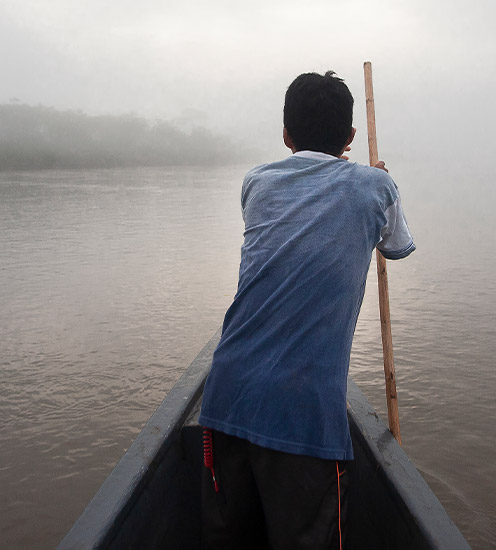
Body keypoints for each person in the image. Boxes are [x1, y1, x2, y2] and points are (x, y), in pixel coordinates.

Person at [197, 70, 414, 549]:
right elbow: (397, 247)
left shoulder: (257, 181)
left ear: (285, 135)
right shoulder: (376, 188)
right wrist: (381, 180)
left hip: (226, 394)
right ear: (351, 137)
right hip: (304, 411)